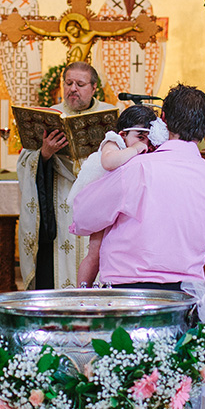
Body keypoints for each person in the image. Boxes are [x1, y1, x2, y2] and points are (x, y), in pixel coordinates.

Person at [71, 83, 205, 290]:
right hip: (188, 292)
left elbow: (84, 214)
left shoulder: (138, 168)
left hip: (131, 292)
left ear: (163, 121)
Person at [17, 61, 116, 290]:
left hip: (97, 203)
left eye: (80, 84)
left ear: (93, 88)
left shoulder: (110, 116)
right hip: (59, 205)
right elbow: (25, 162)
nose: (73, 88)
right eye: (68, 83)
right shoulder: (50, 115)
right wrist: (44, 154)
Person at [71, 104, 167, 286]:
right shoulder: (113, 141)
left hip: (121, 201)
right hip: (100, 199)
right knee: (95, 251)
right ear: (123, 134)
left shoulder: (141, 147)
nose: (144, 144)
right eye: (139, 137)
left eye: (148, 140)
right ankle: (81, 292)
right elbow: (108, 162)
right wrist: (135, 149)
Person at [0, 0, 41, 169]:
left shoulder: (31, 1)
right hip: (5, 59)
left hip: (26, 62)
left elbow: (37, 32)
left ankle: (27, 158)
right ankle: (5, 161)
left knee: (26, 105)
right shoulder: (1, 1)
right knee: (5, 103)